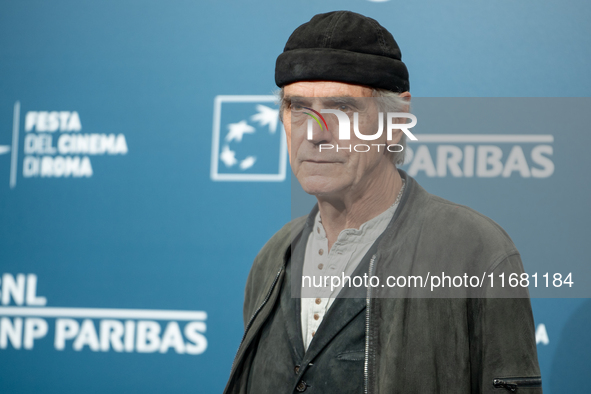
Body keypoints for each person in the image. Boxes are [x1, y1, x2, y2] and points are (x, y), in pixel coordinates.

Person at [223, 10, 542, 394]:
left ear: (397, 119)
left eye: (341, 109)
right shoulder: (272, 259)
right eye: (298, 108)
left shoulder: (476, 252)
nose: (314, 134)